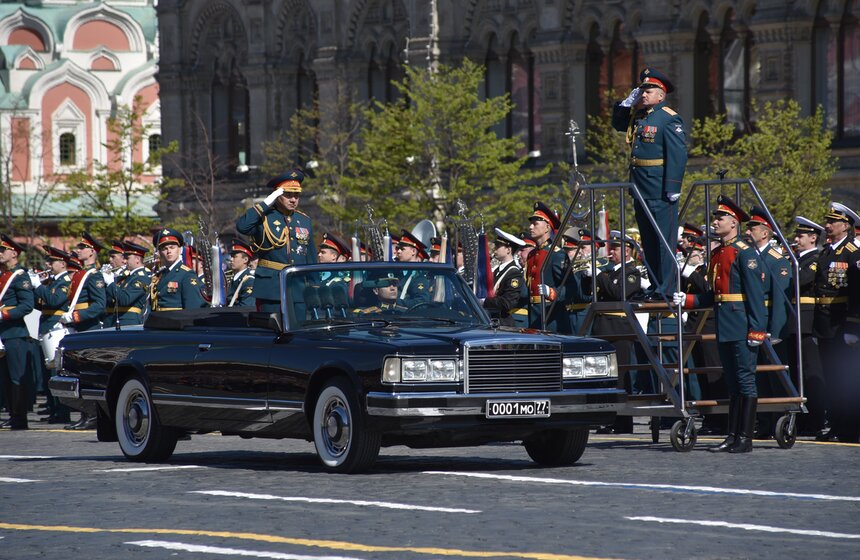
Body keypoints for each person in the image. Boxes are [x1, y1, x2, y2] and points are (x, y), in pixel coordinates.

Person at [673, 195, 767, 453]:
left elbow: (756, 295)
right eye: (716, 217)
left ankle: (745, 438)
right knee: (733, 383)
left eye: (720, 217)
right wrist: (689, 300)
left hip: (740, 323)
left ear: (734, 223)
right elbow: (714, 295)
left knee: (745, 381)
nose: (715, 222)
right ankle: (732, 435)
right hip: (724, 323)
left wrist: (757, 328)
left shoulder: (744, 253)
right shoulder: (719, 253)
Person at [612, 67, 688, 300]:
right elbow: (618, 125)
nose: (644, 94)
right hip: (640, 186)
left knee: (662, 240)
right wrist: (625, 105)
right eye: (642, 90)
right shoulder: (640, 116)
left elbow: (678, 154)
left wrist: (673, 187)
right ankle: (657, 286)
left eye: (650, 90)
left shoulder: (668, 117)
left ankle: (666, 287)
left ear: (661, 95)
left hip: (659, 187)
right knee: (648, 239)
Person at [236, 169, 316, 312]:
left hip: (298, 289)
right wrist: (266, 202)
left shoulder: (304, 220)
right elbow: (242, 226)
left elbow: (311, 258)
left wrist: (314, 288)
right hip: (271, 289)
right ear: (277, 195)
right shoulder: (264, 217)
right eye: (288, 195)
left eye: (296, 195)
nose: (293, 199)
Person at [813, 202, 860, 443]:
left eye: (832, 222)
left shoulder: (853, 252)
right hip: (825, 323)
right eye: (827, 221)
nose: (827, 225)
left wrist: (853, 325)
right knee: (831, 376)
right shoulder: (826, 251)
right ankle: (838, 425)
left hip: (842, 322)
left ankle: (851, 426)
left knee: (846, 378)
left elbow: (856, 293)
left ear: (846, 225)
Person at [745, 206, 793, 438]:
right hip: (750, 324)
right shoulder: (749, 256)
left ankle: (780, 419)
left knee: (774, 376)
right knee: (757, 376)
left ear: (765, 233)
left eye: (753, 227)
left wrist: (775, 333)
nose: (749, 231)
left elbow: (779, 300)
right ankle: (763, 421)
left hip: (767, 325)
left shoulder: (776, 260)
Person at [590, 231, 642, 434]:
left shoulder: (631, 272)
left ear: (627, 251)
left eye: (615, 248)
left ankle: (622, 421)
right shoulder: (611, 272)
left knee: (620, 375)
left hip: (619, 328)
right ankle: (608, 417)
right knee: (605, 375)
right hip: (603, 327)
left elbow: (618, 293)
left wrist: (599, 275)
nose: (610, 252)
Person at [791, 217, 827, 437]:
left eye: (801, 236)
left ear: (813, 238)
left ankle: (815, 418)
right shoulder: (796, 259)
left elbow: (801, 279)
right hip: (794, 322)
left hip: (807, 321)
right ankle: (802, 419)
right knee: (797, 373)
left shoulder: (814, 259)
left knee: (811, 372)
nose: (796, 239)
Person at [0, 235, 37, 430]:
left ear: (13, 253)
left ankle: (19, 417)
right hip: (3, 334)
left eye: (2, 250)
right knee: (5, 378)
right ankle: (12, 413)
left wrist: (4, 314)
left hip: (15, 333)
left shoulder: (20, 276)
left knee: (16, 378)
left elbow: (26, 306)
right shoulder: (3, 275)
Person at [33, 247, 74, 424]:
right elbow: (40, 304)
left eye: (51, 262)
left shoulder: (65, 282)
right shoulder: (52, 282)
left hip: (57, 329)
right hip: (47, 329)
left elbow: (54, 301)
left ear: (62, 264)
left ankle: (62, 412)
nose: (47, 265)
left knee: (58, 372)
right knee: (49, 372)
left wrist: (38, 285)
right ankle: (54, 409)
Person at [526, 202, 569, 333]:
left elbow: (570, 287)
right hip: (533, 314)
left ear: (547, 228)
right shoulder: (532, 254)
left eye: (535, 224)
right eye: (531, 223)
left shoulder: (557, 254)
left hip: (551, 315)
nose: (530, 227)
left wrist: (552, 292)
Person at [150, 228, 207, 312]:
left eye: (172, 247)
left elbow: (192, 309)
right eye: (164, 249)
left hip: (177, 323)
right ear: (160, 253)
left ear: (179, 250)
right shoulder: (160, 274)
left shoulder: (187, 274)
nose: (169, 251)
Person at [61, 231, 107, 332]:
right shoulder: (80, 273)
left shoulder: (94, 275)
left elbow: (100, 304)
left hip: (89, 325)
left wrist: (76, 316)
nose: (78, 250)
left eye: (82, 248)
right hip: (77, 324)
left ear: (91, 251)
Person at [483, 228, 527, 327]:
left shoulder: (513, 273)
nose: (495, 248)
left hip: (504, 323)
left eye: (498, 246)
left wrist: (484, 301)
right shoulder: (497, 270)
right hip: (492, 320)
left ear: (508, 250)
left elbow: (507, 302)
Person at [104, 241, 152, 326]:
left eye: (127, 258)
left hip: (128, 322)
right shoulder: (128, 277)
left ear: (137, 259)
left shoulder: (142, 277)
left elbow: (125, 300)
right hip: (116, 320)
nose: (124, 261)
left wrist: (110, 282)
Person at [394, 230, 432, 306]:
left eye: (402, 249)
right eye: (398, 248)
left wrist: (395, 303)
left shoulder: (419, 275)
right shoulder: (397, 271)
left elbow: (421, 303)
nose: (398, 251)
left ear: (413, 251)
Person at [227, 239, 255, 307]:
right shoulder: (234, 278)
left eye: (235, 257)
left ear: (245, 260)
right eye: (231, 256)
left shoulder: (249, 280)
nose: (231, 259)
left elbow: (246, 308)